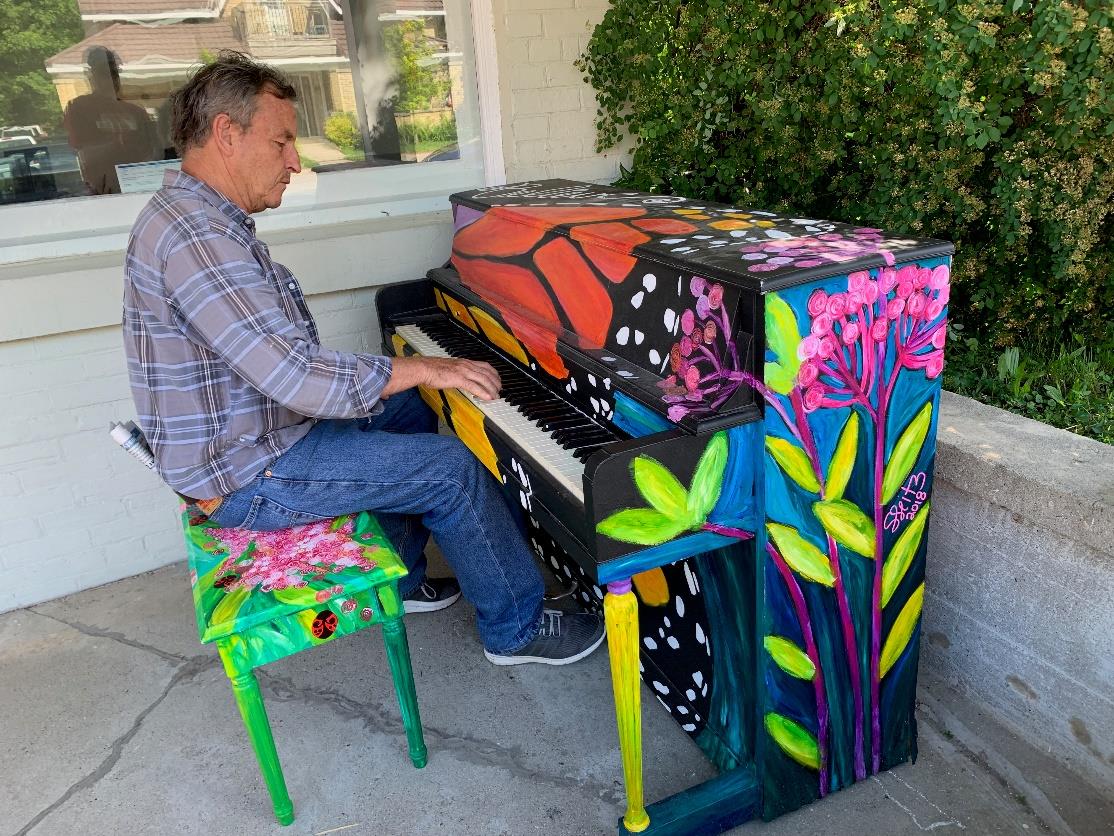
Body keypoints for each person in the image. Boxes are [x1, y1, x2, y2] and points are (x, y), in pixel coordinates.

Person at [122, 52, 605, 666]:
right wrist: (432, 366)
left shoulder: (189, 217)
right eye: (282, 142)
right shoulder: (198, 238)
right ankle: (517, 628)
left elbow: (280, 365)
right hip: (247, 475)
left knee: (403, 408)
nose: (295, 162)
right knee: (450, 468)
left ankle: (403, 579)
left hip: (254, 437)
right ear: (226, 133)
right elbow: (298, 379)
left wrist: (407, 378)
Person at [64, 46, 159, 194]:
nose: (110, 78)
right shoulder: (79, 108)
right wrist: (115, 144)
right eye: (103, 72)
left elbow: (154, 152)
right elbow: (81, 154)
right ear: (92, 75)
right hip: (101, 190)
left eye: (114, 72)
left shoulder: (137, 111)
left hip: (140, 186)